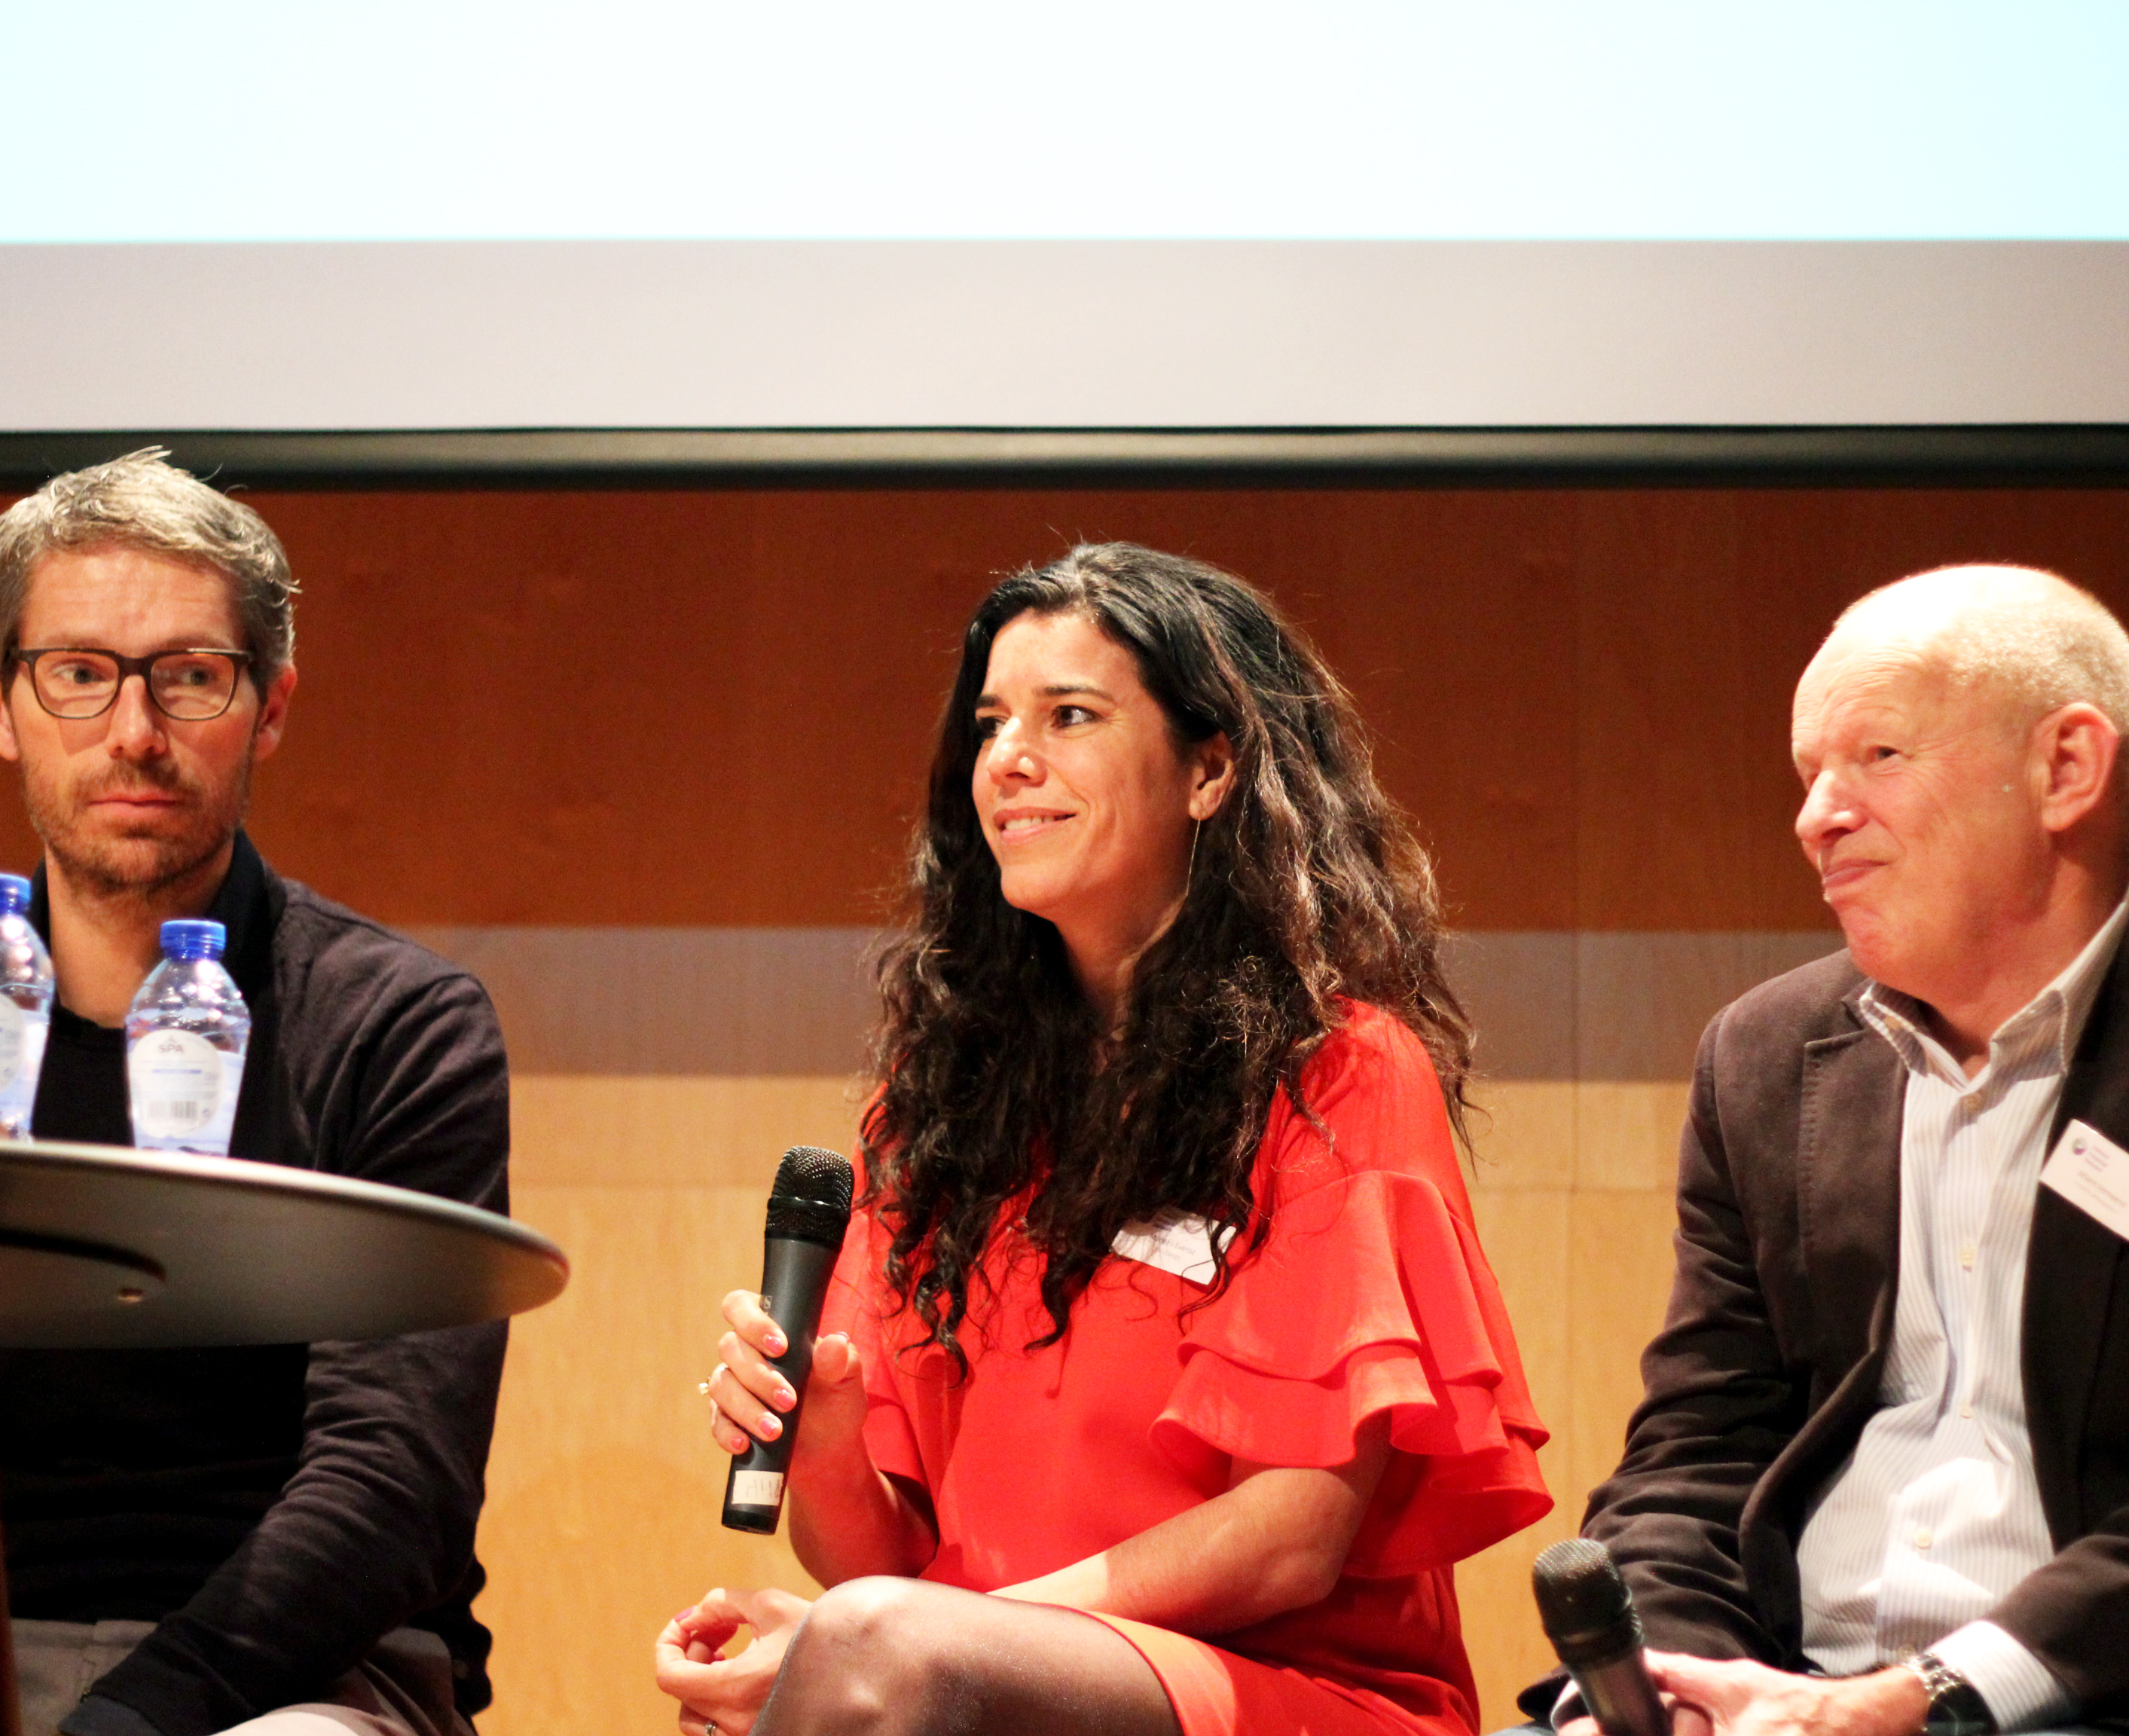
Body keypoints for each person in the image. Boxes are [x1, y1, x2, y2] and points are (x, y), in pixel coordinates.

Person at [659, 543, 1551, 1735]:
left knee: (864, 1656)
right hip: (988, 1678)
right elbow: (881, 1563)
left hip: (1296, 1693)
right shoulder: (935, 1110)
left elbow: (1289, 1539)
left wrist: (926, 1644)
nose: (1008, 760)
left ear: (1210, 770)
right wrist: (821, 1448)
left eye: (1068, 716)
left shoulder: (1338, 1074)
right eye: (991, 724)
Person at [1514, 566, 2129, 1735]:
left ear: (2066, 769)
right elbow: (1696, 1453)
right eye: (1807, 774)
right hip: (1786, 1691)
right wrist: (1671, 1688)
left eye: (1877, 756)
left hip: (2114, 1705)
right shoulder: (1766, 1054)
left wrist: (1911, 1704)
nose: (1816, 816)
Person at [0, 450, 514, 1736]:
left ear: (271, 708)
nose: (135, 732)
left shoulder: (397, 1026)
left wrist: (132, 1721)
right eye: (79, 674)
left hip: (301, 1671)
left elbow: (392, 1483)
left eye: (188, 677)